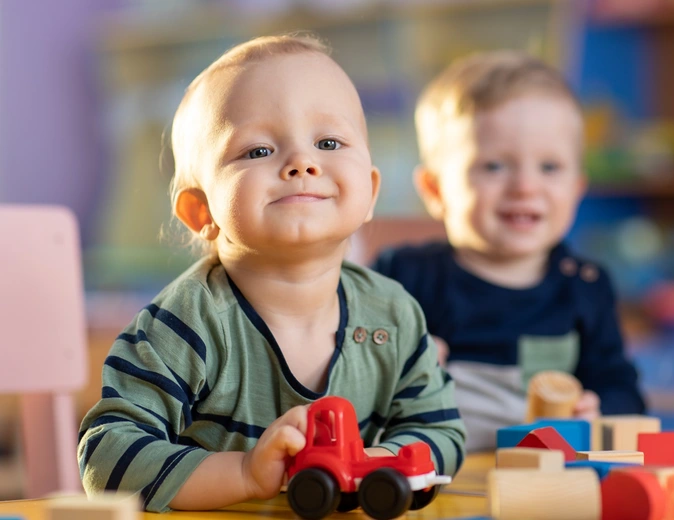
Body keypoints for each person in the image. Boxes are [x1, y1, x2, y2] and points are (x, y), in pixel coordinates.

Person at [78, 34, 466, 512]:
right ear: (201, 210)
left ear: (369, 192)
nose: (302, 163)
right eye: (258, 151)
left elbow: (441, 431)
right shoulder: (184, 325)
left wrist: (376, 462)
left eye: (328, 142)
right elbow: (106, 457)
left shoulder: (393, 315)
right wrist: (243, 473)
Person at [373, 50, 646, 452]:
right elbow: (342, 372)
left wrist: (600, 410)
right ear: (435, 189)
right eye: (495, 166)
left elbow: (624, 392)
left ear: (576, 189)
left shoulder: (585, 286)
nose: (525, 187)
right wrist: (396, 361)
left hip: (543, 485)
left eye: (549, 167)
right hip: (429, 482)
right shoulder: (403, 276)